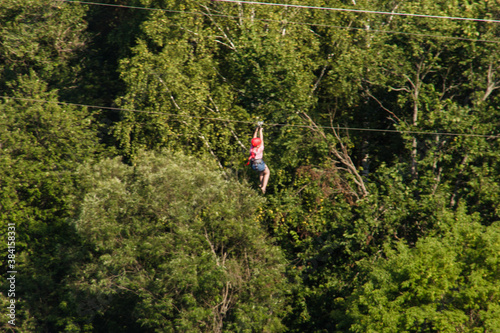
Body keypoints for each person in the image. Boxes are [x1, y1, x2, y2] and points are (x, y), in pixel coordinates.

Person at [247, 124, 270, 194]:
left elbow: (254, 139)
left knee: (261, 172)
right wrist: (261, 130)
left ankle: (261, 184)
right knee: (267, 172)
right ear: (258, 144)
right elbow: (261, 139)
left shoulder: (251, 149)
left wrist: (256, 130)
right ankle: (264, 187)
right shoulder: (260, 148)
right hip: (259, 164)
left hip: (253, 165)